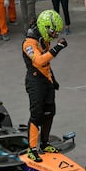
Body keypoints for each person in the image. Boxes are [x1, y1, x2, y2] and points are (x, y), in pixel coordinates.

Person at [22, 10, 67, 162]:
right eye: (53, 32)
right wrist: (57, 48)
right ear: (45, 27)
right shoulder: (29, 43)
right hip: (34, 82)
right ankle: (32, 149)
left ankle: (45, 143)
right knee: (36, 114)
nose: (54, 36)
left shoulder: (43, 38)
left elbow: (46, 64)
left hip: (46, 80)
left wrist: (52, 79)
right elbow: (39, 61)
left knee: (50, 112)